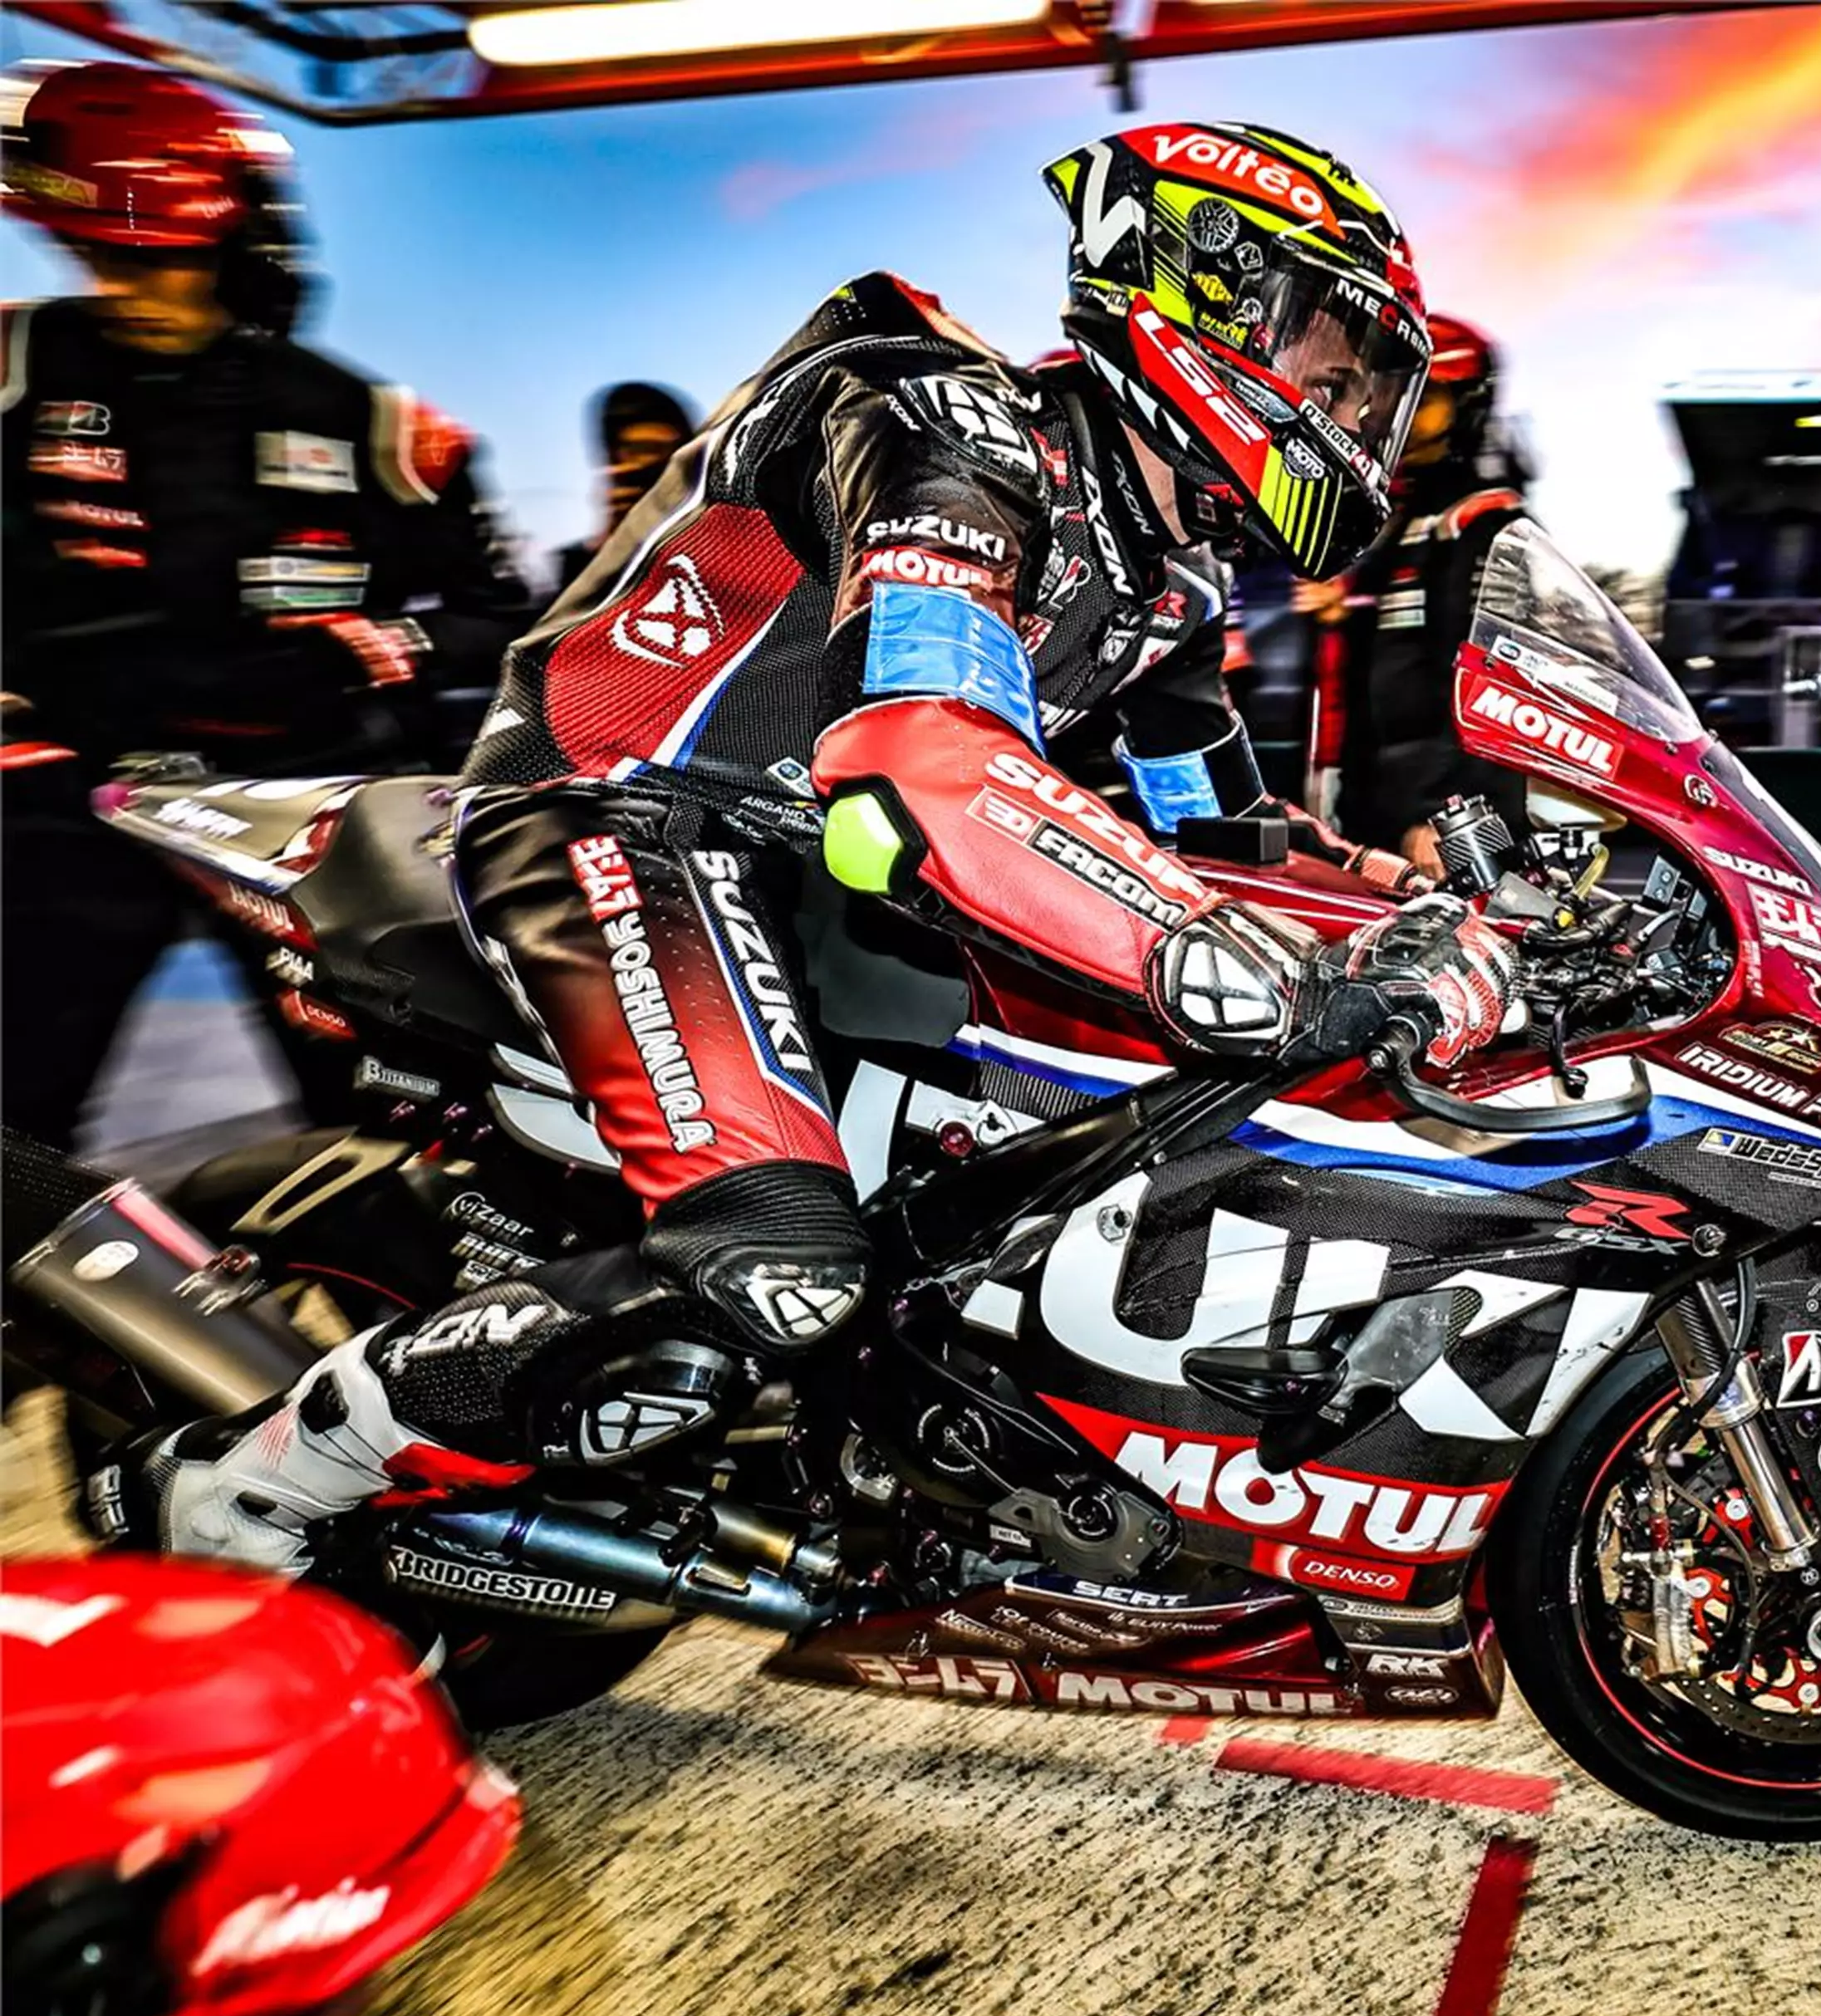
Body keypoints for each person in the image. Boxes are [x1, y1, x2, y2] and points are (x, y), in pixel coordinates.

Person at [141, 120, 1511, 1572]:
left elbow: (1222, 829)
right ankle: (258, 1485)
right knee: (784, 1269)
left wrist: (1403, 915)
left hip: (818, 884)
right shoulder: (952, 432)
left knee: (1048, 1178)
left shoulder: (1164, 576)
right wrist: (1230, 966)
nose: (1354, 413)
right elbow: (918, 745)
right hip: (630, 820)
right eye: (1338, 366)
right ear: (1208, 291)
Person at [1, 60, 532, 1146]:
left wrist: (379, 644)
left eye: (164, 264)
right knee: (17, 1111)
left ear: (231, 252)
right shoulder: (16, 366)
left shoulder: (376, 423)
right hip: (72, 804)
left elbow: (503, 613)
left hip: (300, 814)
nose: (132, 288)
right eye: (104, 258)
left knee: (402, 1119)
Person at [1304, 313, 1530, 876]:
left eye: (1422, 399)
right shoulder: (1389, 524)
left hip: (1442, 827)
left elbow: (1497, 695)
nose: (1393, 413)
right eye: (1388, 394)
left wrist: (1444, 816)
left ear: (1466, 406)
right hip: (1371, 817)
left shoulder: (1485, 525)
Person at [549, 380, 695, 593]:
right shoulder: (573, 567)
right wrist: (612, 547)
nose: (633, 468)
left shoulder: (730, 548)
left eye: (652, 451)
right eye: (622, 456)